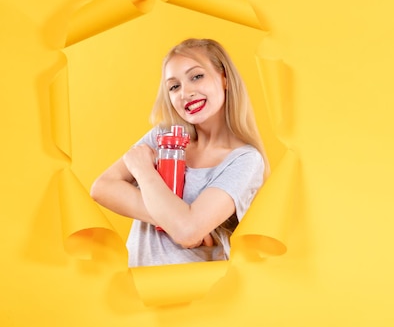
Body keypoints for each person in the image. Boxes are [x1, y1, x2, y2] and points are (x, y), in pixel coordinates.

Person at [91, 38, 269, 267]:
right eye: (174, 86)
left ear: (224, 77)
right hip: (138, 288)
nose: (186, 93)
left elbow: (188, 232)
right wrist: (176, 222)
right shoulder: (163, 136)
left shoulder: (245, 159)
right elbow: (102, 187)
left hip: (198, 293)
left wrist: (143, 170)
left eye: (196, 76)